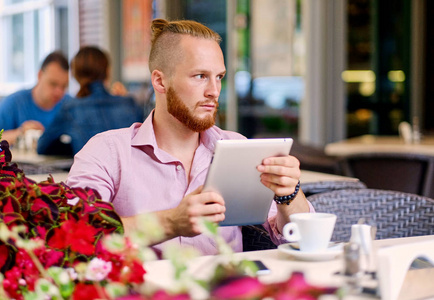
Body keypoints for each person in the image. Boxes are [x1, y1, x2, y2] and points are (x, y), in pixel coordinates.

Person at [66, 19, 313, 255]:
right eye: (200, 76)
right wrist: (171, 222)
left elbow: (307, 241)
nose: (214, 91)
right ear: (160, 81)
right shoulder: (108, 151)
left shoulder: (236, 148)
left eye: (219, 77)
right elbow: (72, 234)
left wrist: (289, 194)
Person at [37, 46, 144, 156]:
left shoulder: (72, 108)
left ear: (75, 75)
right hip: (129, 172)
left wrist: (74, 147)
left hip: (92, 171)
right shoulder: (130, 103)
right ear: (107, 71)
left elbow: (42, 147)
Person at [0, 51, 70, 145]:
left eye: (64, 86)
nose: (59, 92)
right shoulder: (14, 102)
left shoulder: (70, 105)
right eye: (53, 84)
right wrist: (20, 134)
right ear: (40, 75)